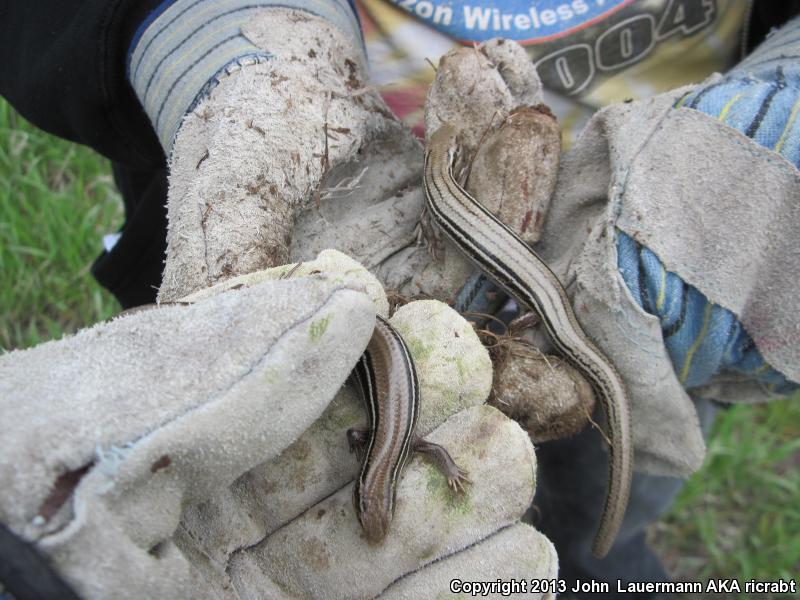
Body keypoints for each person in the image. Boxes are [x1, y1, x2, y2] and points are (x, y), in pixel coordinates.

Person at [1, 1, 798, 598]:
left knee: (603, 430)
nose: (371, 509)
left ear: (367, 492)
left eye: (374, 509)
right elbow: (426, 447)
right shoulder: (387, 462)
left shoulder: (379, 460)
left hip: (626, 245)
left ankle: (600, 549)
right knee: (509, 434)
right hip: (388, 208)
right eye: (373, 511)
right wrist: (212, 33)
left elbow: (406, 446)